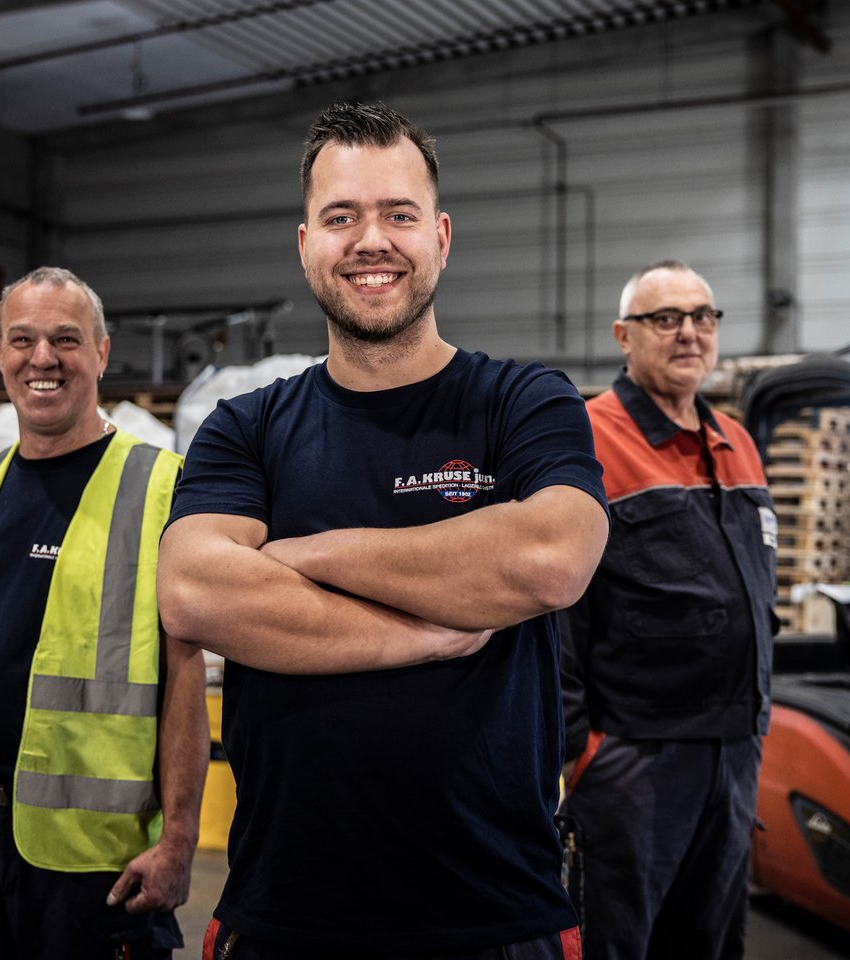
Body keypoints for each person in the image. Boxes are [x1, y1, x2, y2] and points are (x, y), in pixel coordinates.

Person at [158, 101, 609, 960]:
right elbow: (193, 590)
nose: (372, 241)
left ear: (440, 236)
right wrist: (433, 632)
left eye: (398, 214)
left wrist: (305, 555)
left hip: (498, 914)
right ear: (305, 245)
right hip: (287, 912)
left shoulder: (523, 402)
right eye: (342, 217)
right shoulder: (244, 427)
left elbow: (551, 558)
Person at [0, 266, 209, 959]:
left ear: (101, 351)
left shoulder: (163, 486)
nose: (42, 359)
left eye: (65, 339)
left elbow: (186, 675)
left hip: (94, 858)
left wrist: (181, 840)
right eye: (22, 339)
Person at [558, 260, 777, 960]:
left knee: (710, 942)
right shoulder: (587, 438)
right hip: (634, 760)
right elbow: (552, 608)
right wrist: (579, 751)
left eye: (703, 316)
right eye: (666, 319)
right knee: (614, 943)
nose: (689, 333)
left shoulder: (736, 440)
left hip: (733, 753)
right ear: (625, 336)